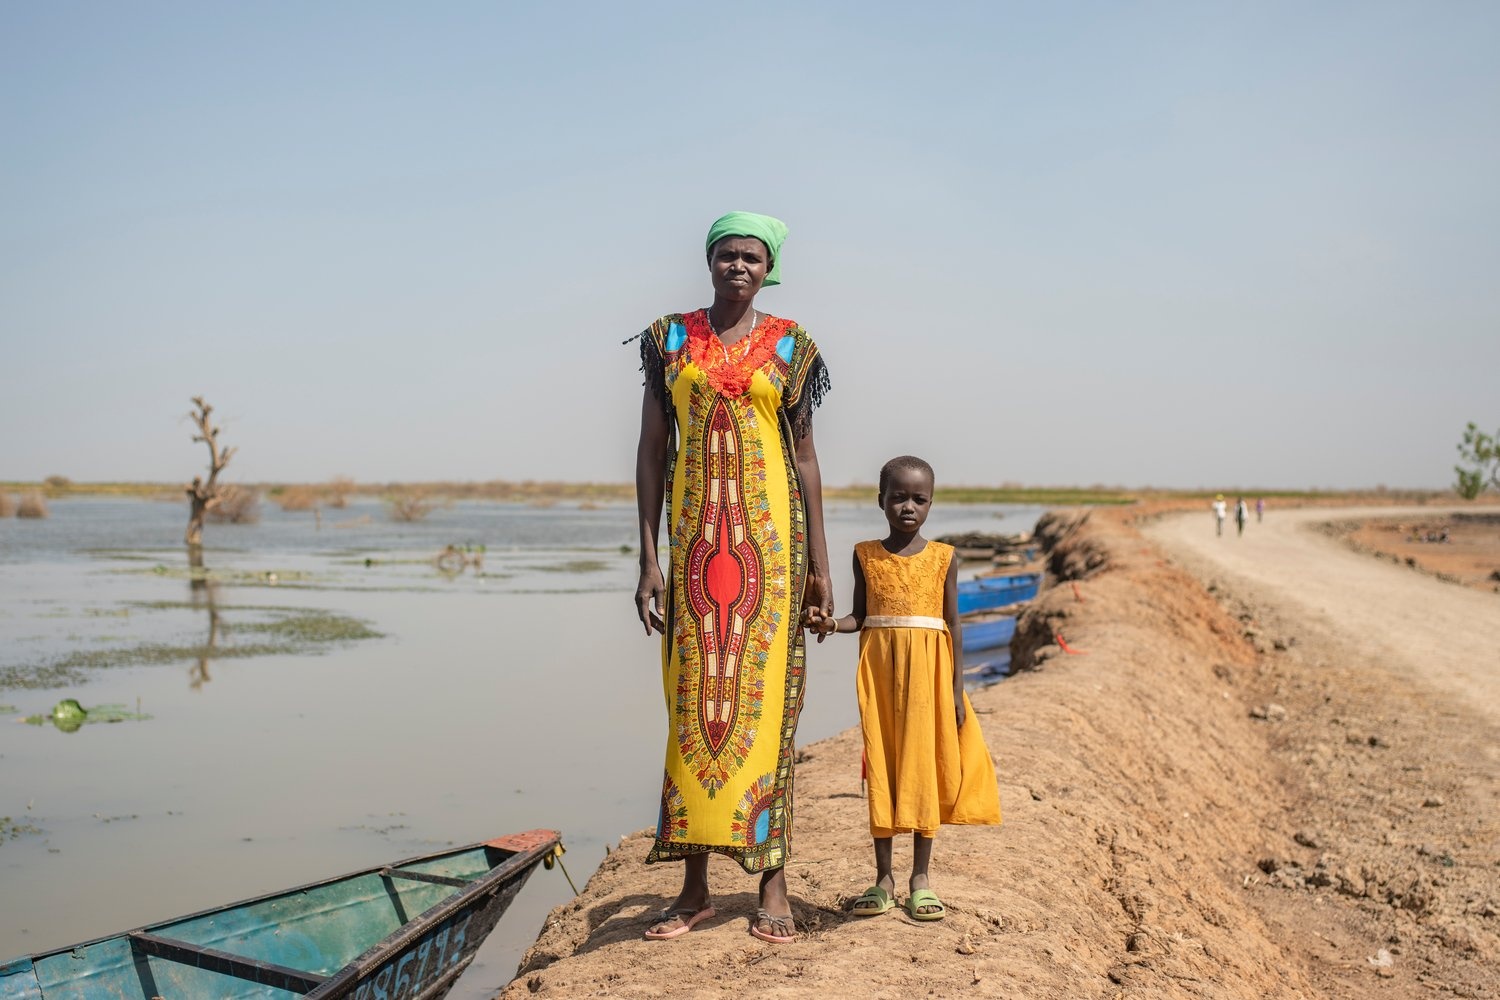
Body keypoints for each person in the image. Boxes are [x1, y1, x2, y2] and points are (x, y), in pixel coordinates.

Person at [633, 212, 833, 944]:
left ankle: (772, 885)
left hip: (772, 563)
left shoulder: (790, 345)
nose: (737, 267)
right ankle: (692, 891)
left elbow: (805, 458)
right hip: (690, 557)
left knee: (767, 716)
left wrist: (819, 568)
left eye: (751, 257)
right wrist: (649, 558)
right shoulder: (669, 340)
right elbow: (654, 449)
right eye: (726, 255)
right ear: (709, 261)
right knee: (691, 715)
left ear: (767, 266)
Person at [810, 456, 1001, 922]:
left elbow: (952, 625)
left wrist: (956, 692)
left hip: (930, 680)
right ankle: (882, 878)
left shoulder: (944, 558)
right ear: (881, 502)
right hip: (879, 676)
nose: (908, 507)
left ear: (931, 503)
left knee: (923, 768)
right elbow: (862, 616)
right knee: (884, 764)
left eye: (919, 498)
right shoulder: (864, 554)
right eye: (898, 497)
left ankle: (919, 878)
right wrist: (831, 623)